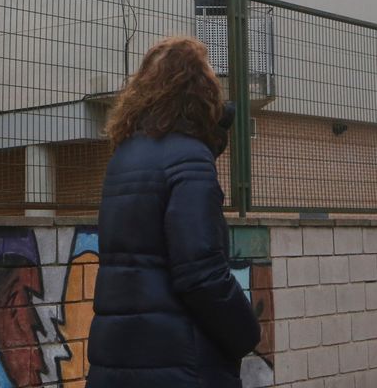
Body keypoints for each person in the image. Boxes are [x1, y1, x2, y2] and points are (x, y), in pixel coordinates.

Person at [86, 36, 260, 388]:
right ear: (199, 92)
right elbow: (201, 273)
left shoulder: (124, 156)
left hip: (118, 356)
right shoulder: (190, 158)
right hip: (180, 361)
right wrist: (246, 333)